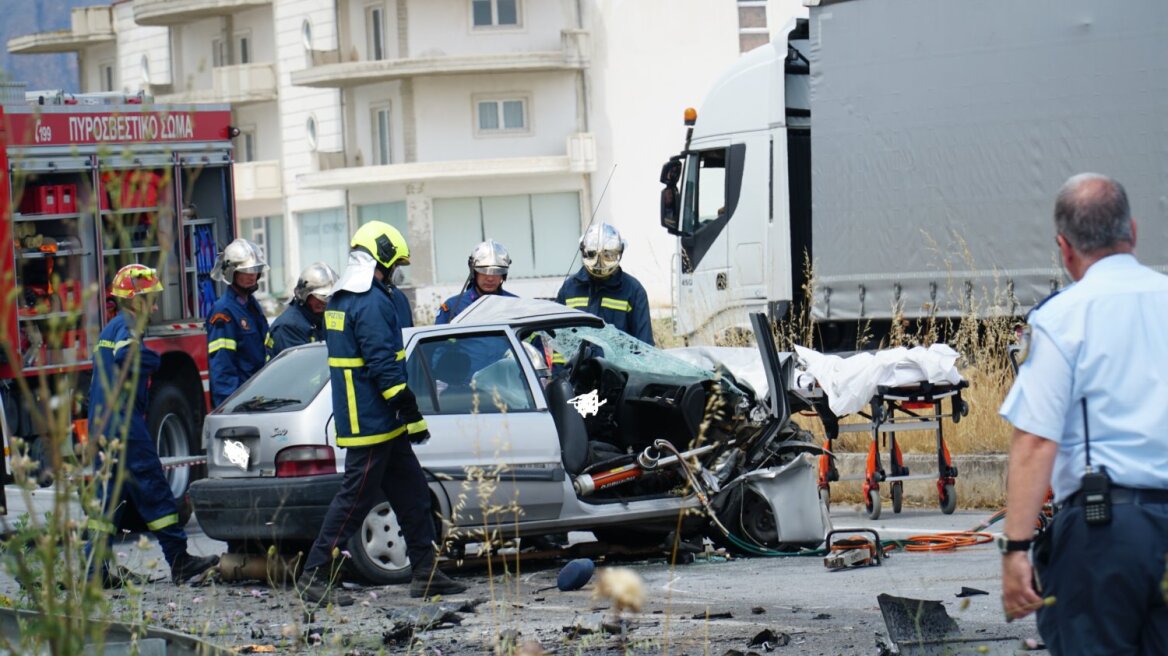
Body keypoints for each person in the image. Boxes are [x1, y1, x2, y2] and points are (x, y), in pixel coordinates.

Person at [999, 173, 1168, 652]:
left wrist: (1015, 550)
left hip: (1105, 533)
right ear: (1132, 231)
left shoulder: (1060, 319)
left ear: (1064, 247)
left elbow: (1035, 441)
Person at [296, 221, 466, 606]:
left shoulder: (342, 298)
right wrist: (406, 406)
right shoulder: (370, 301)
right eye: (394, 265)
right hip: (373, 421)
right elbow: (382, 365)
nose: (394, 273)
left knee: (413, 495)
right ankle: (314, 573)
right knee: (354, 500)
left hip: (376, 421)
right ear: (383, 258)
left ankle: (425, 572)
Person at [87, 264, 220, 587]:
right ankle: (179, 560)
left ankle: (95, 572)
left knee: (109, 499)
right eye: (151, 298)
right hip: (124, 426)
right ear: (135, 301)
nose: (156, 306)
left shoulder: (111, 328)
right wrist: (154, 360)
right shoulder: (128, 326)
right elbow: (128, 358)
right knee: (155, 490)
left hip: (103, 426)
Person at [556, 223, 654, 345]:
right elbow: (559, 340)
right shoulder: (569, 289)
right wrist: (560, 365)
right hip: (578, 364)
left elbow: (645, 345)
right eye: (592, 255)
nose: (599, 264)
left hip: (616, 365)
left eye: (608, 256)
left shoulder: (633, 291)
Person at [206, 238, 271, 406]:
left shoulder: (251, 306)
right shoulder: (223, 312)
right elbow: (222, 366)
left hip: (258, 397)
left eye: (255, 269)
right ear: (231, 273)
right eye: (246, 270)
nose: (252, 275)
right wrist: (231, 406)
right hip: (241, 403)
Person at [266, 262, 339, 358]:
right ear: (304, 295)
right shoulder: (289, 326)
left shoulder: (317, 320)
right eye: (321, 297)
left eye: (330, 297)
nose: (325, 302)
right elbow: (300, 367)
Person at [435, 239, 516, 324]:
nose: (490, 278)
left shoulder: (516, 304)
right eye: (484, 271)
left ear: (503, 274)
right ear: (474, 272)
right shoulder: (452, 307)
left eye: (496, 272)